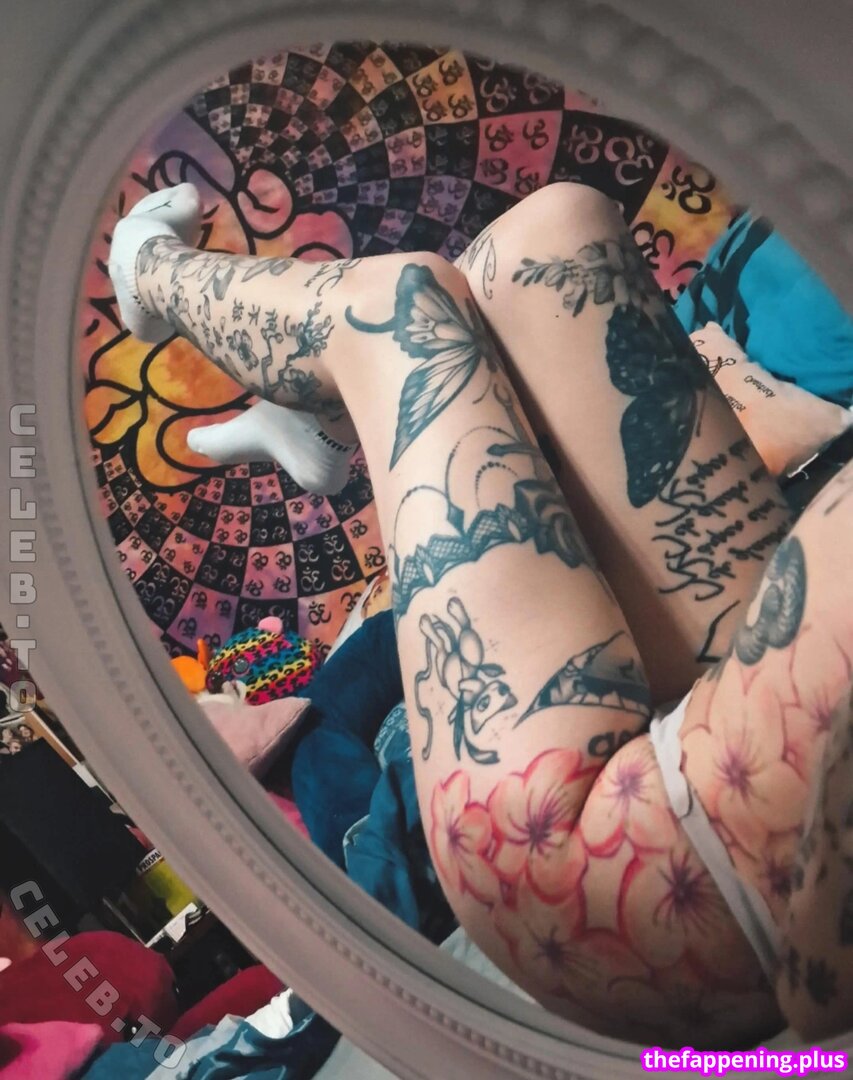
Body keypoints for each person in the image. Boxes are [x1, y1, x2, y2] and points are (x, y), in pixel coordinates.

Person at [108, 181, 853, 1048]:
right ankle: (323, 417)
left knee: (394, 309)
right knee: (550, 234)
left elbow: (815, 1015)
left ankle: (148, 269)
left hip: (626, 872)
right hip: (731, 688)